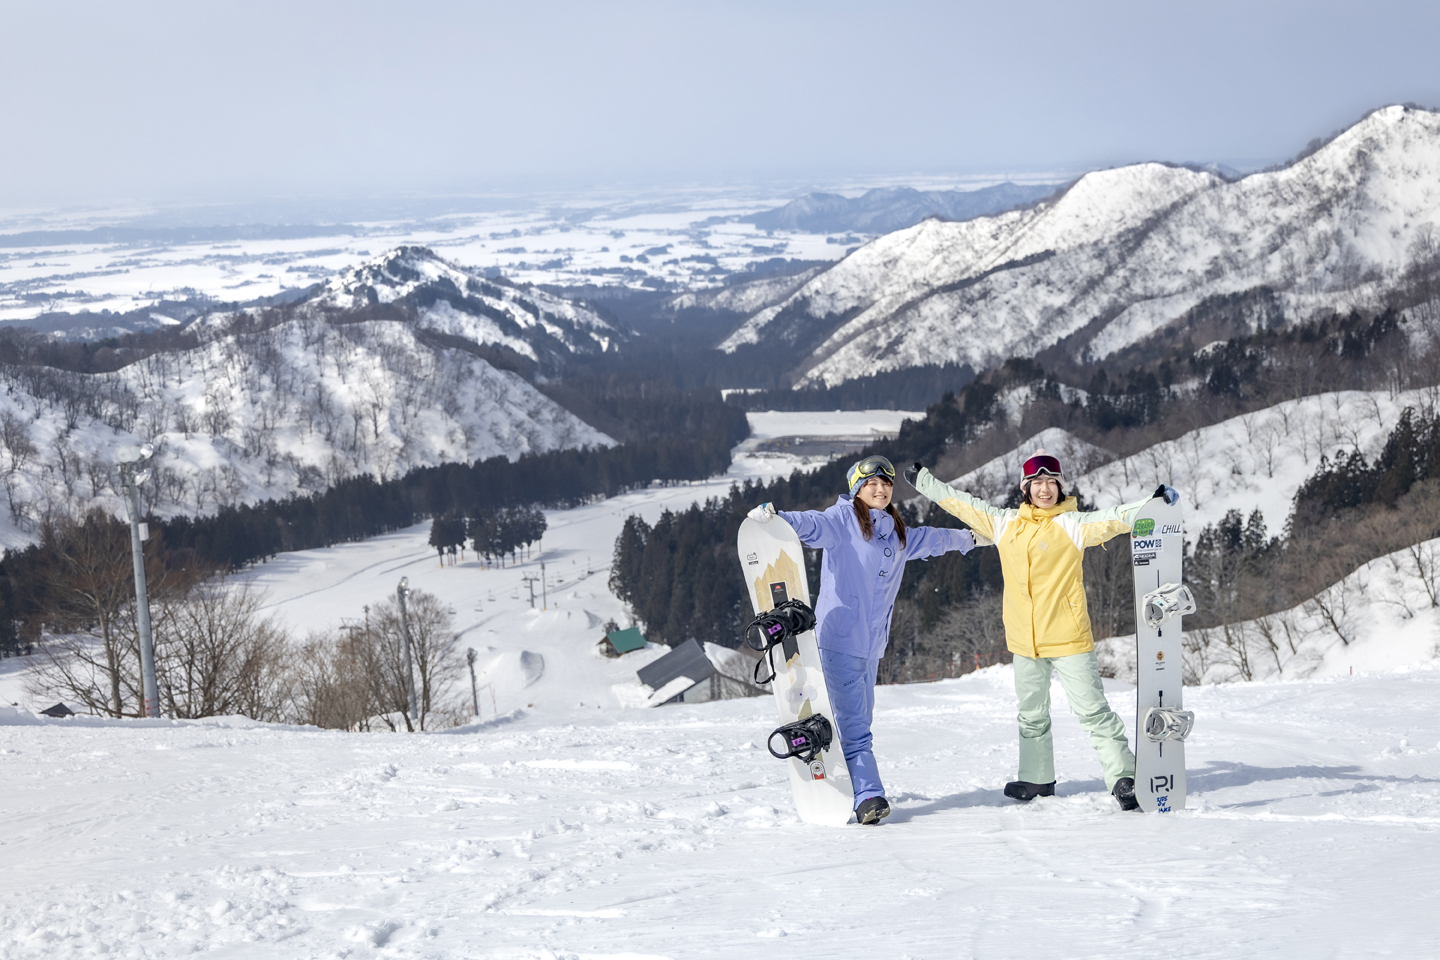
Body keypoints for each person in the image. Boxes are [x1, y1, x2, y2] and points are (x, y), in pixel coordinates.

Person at [907, 449, 1177, 811]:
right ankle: (1037, 778)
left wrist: (1152, 504)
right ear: (1026, 488)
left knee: (1093, 712)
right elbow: (963, 505)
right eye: (1037, 483)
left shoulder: (1073, 524)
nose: (1045, 490)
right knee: (1031, 715)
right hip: (1023, 641)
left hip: (1068, 637)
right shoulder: (1005, 523)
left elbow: (1115, 518)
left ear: (1061, 487)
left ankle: (1124, 777)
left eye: (1052, 483)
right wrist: (925, 482)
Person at [748, 455, 977, 825]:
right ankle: (868, 796)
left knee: (858, 720)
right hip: (838, 640)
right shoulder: (841, 522)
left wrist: (970, 538)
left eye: (886, 484)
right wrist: (778, 518)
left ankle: (848, 782)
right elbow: (811, 525)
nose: (881, 489)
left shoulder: (897, 533)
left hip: (872, 647)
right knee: (856, 727)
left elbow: (933, 539)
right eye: (871, 484)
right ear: (857, 488)